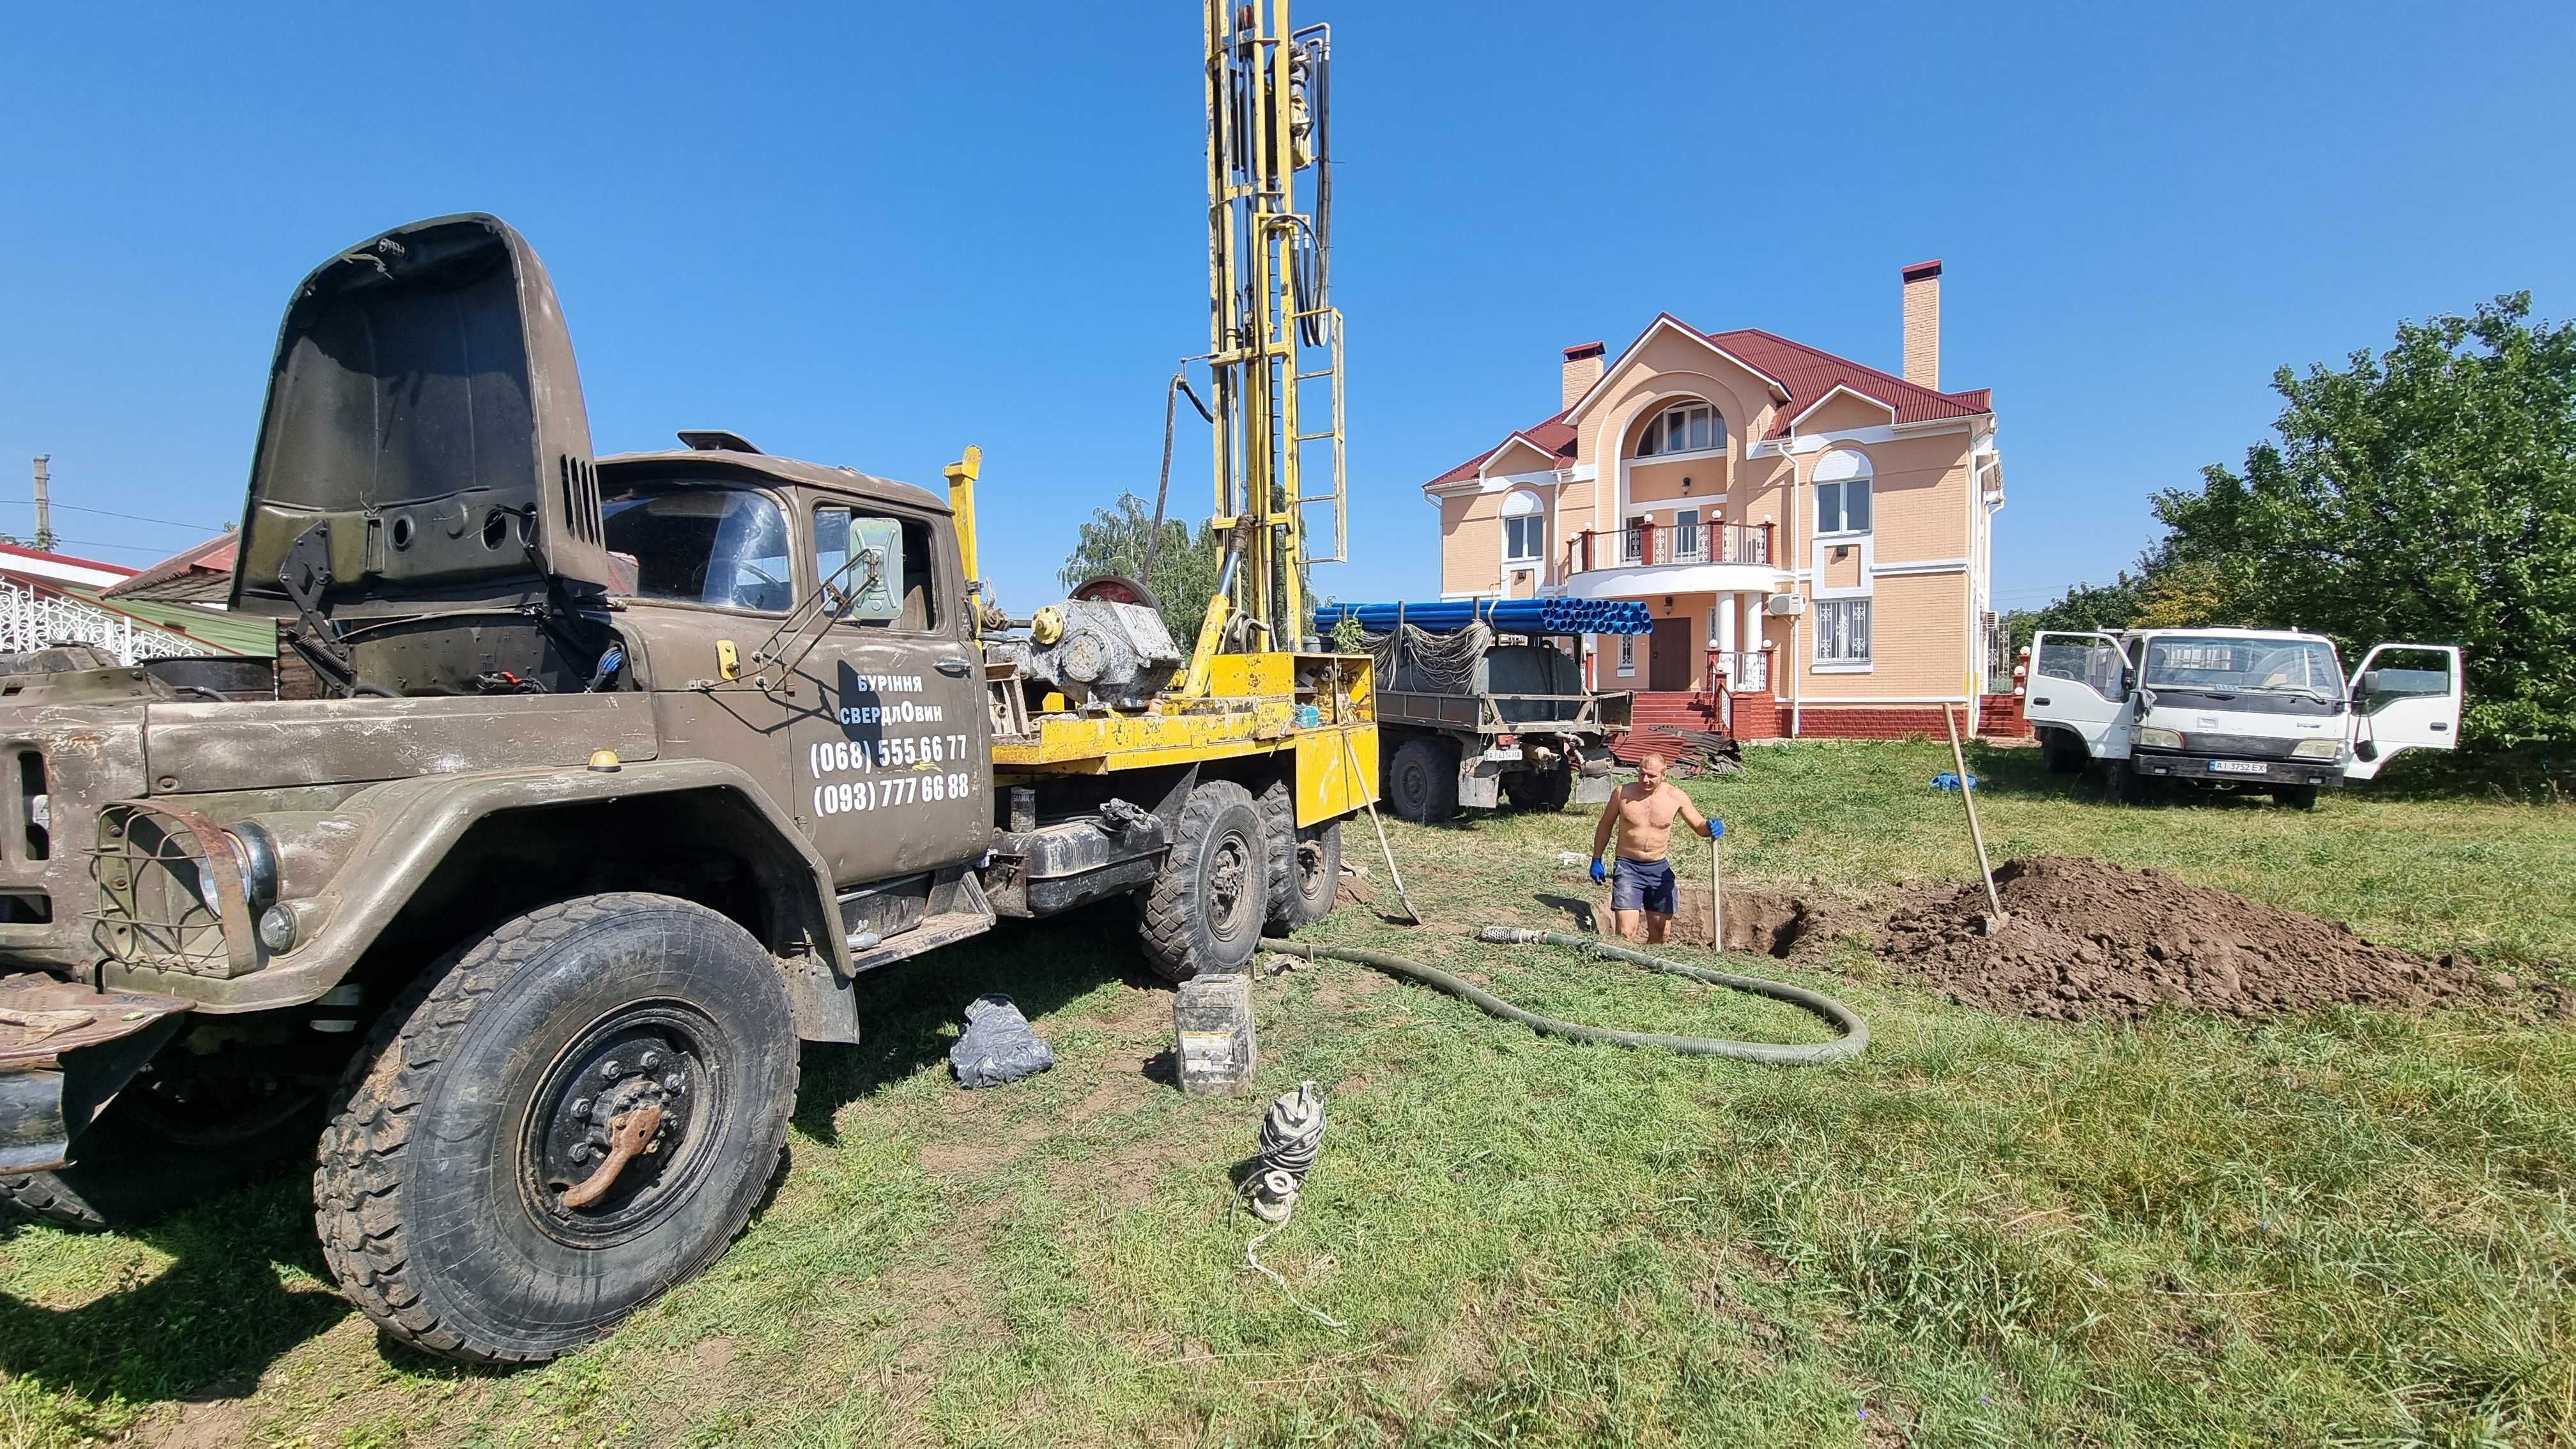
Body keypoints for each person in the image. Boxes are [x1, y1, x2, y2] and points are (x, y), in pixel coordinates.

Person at [1588, 752, 1713, 944]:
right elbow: (1605, 825)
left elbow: (1699, 826)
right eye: (1641, 774)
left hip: (1658, 869)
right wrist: (1597, 858)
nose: (1645, 780)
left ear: (1664, 775)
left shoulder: (1676, 797)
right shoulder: (1623, 793)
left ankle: (1649, 970)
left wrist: (1711, 827)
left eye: (1651, 776)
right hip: (1628, 868)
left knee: (1661, 933)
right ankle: (1625, 969)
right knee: (1625, 933)